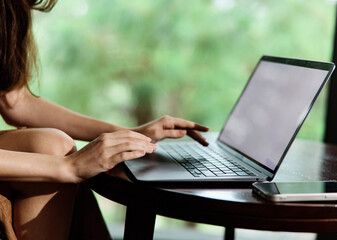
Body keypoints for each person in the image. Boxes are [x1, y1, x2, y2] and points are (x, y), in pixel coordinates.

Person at [0, 0, 209, 239]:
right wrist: (68, 167)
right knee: (54, 148)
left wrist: (127, 133)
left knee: (55, 146)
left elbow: (14, 101)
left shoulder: (11, 9)